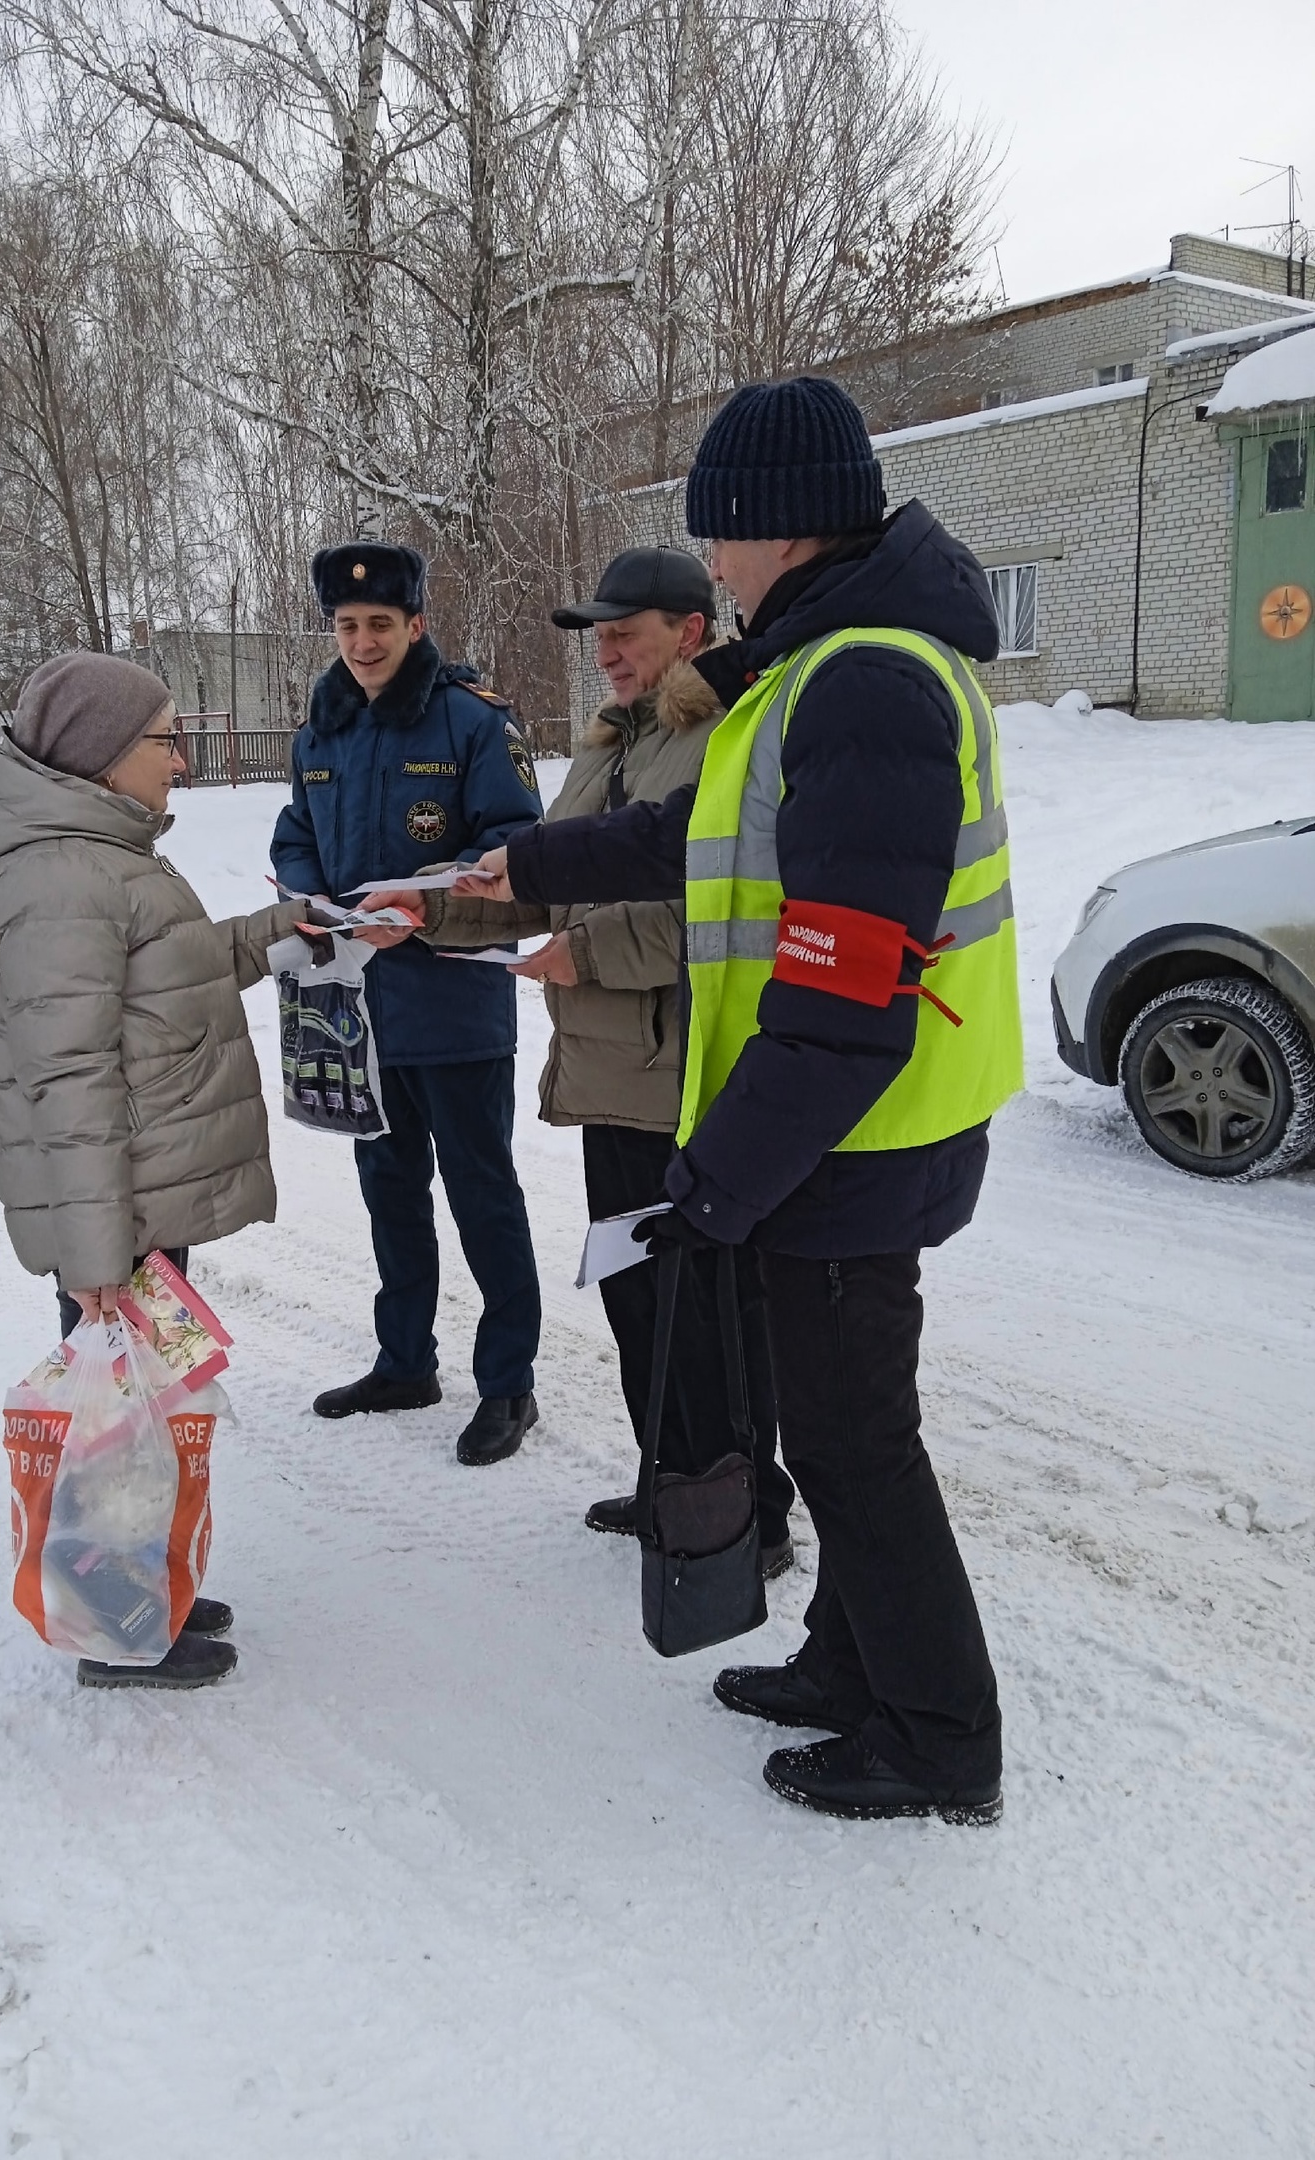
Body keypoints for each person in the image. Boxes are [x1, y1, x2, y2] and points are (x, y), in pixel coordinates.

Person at [456, 377, 1023, 1825]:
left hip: (855, 1143)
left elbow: (845, 1003)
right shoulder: (822, 671)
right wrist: (527, 865)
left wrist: (717, 1189)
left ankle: (941, 1737)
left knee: (852, 1442)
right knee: (838, 1430)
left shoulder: (870, 684)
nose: (714, 565)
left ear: (779, 525)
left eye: (725, 537)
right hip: (841, 1144)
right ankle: (850, 1662)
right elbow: (695, 837)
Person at [381, 547, 796, 1572]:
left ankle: (746, 1515)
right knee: (637, 1296)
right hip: (609, 1076)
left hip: (686, 1078)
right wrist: (429, 911)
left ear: (691, 631)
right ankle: (674, 1480)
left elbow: (728, 907)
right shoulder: (616, 742)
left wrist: (589, 951)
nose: (604, 651)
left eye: (625, 631)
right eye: (597, 635)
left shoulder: (722, 742)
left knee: (709, 1313)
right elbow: (544, 879)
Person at [0, 650, 306, 1692]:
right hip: (119, 1209)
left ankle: (150, 1580)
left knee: (148, 1403)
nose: (183, 760)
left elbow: (168, 974)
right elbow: (69, 1074)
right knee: (120, 1417)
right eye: (166, 739)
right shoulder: (61, 876)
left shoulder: (99, 856)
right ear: (103, 757)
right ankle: (115, 1619)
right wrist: (95, 1256)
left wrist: (288, 929)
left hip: (140, 1195)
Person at [271, 542, 545, 1466]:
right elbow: (296, 836)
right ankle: (405, 1361)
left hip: (457, 1005)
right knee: (389, 1194)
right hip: (360, 1008)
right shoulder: (322, 730)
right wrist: (314, 906)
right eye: (347, 626)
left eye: (380, 624)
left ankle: (509, 1385)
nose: (362, 642)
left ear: (416, 624)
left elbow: (518, 847)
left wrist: (424, 908)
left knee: (483, 1199)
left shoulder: (471, 724)